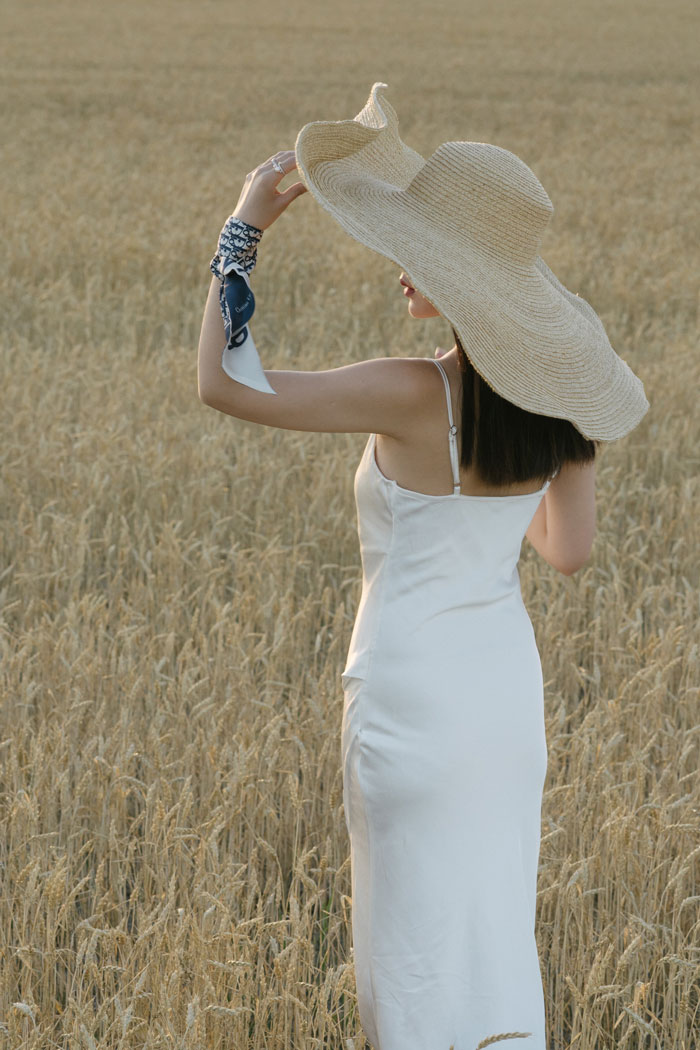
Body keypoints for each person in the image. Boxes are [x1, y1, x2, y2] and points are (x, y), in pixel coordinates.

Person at [197, 83, 648, 1050]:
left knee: (409, 948)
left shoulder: (413, 393)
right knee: (492, 930)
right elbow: (568, 552)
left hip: (409, 700)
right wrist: (501, 498)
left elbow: (226, 385)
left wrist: (243, 229)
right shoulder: (553, 410)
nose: (402, 268)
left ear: (464, 281)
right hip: (499, 706)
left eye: (421, 255)